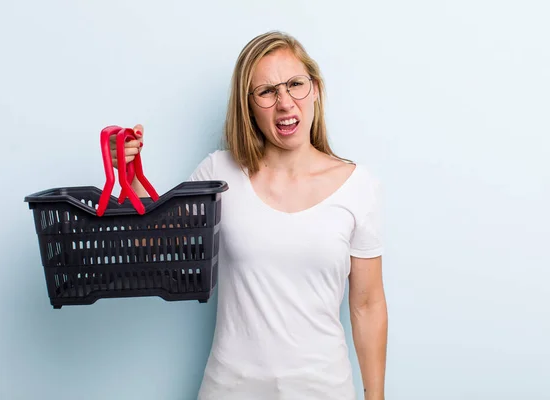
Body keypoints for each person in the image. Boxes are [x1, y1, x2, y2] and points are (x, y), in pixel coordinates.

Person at [112, 31, 388, 400]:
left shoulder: (358, 186)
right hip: (230, 388)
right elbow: (157, 241)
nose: (285, 102)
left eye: (295, 84)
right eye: (267, 91)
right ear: (249, 105)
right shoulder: (219, 173)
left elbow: (367, 305)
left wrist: (376, 397)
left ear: (316, 89)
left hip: (323, 389)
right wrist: (127, 174)